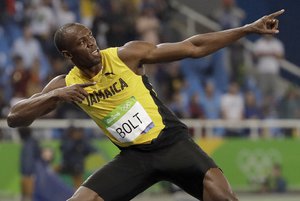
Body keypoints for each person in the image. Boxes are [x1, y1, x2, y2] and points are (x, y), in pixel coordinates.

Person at [7, 9, 284, 201]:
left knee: (222, 196)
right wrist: (56, 96)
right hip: (133, 157)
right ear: (68, 54)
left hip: (172, 144)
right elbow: (15, 117)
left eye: (90, 36)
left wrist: (248, 29)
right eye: (81, 42)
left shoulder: (126, 55)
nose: (91, 43)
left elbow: (193, 47)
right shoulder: (64, 84)